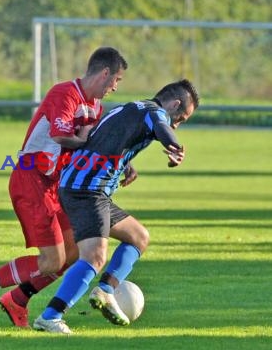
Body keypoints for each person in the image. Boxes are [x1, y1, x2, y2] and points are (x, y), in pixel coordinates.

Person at [0, 47, 130, 327]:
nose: (115, 86)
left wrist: (122, 162)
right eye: (117, 80)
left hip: (56, 186)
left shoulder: (96, 107)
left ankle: (18, 300)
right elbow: (61, 136)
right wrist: (85, 140)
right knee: (52, 262)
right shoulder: (65, 93)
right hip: (32, 181)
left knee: (74, 252)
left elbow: (94, 147)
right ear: (105, 73)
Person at [32, 79, 200, 334]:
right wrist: (174, 147)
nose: (178, 123)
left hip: (87, 188)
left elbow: (102, 139)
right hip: (86, 190)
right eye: (182, 118)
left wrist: (124, 164)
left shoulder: (129, 108)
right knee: (95, 257)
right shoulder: (154, 112)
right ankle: (50, 316)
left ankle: (106, 290)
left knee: (138, 237)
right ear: (175, 104)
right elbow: (164, 127)